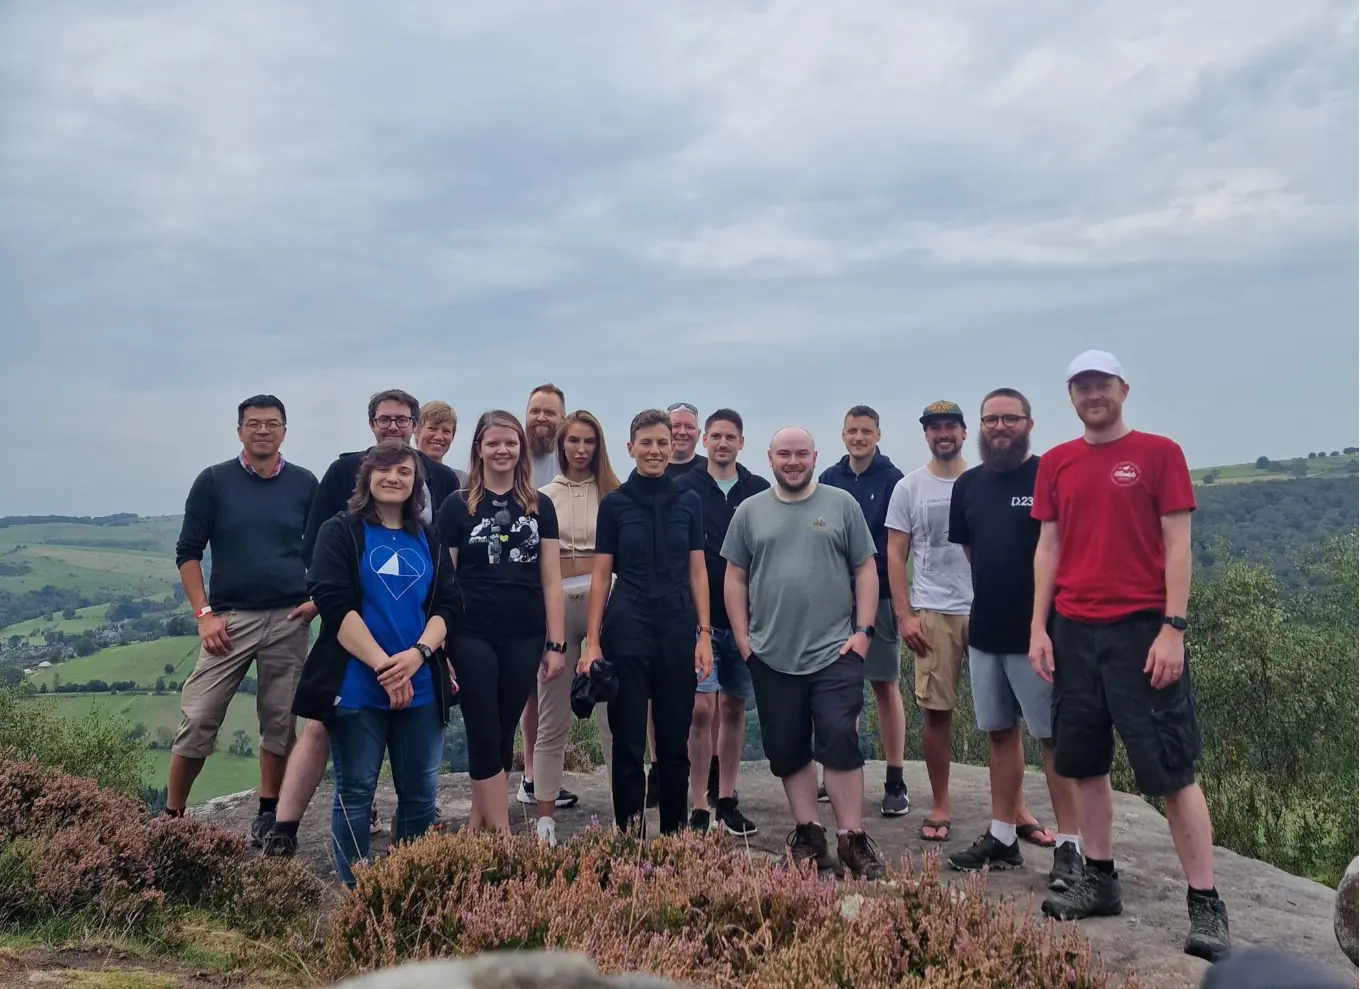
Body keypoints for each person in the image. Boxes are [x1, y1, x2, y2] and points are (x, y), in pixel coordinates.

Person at [1029, 350, 1230, 961]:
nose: (1093, 395)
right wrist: (1038, 627)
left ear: (1123, 388)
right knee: (1083, 763)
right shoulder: (1058, 462)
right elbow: (1048, 547)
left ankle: (1206, 902)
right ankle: (1099, 878)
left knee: (1171, 768)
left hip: (1142, 631)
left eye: (1102, 384)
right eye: (1082, 386)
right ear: (1071, 396)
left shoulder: (1159, 452)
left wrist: (1174, 628)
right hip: (1072, 631)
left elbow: (1178, 545)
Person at [264, 389, 462, 849]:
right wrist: (383, 665)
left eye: (403, 472)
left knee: (419, 795)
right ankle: (330, 865)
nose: (394, 478)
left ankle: (405, 885)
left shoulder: (431, 529)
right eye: (384, 471)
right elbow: (329, 587)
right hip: (356, 668)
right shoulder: (342, 522)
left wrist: (419, 656)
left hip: (421, 671)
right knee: (352, 787)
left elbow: (447, 601)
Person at [721, 426, 886, 880]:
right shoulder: (750, 512)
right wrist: (742, 638)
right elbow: (734, 576)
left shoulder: (841, 505)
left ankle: (852, 839)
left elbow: (866, 568)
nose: (792, 462)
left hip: (835, 650)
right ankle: (810, 835)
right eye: (783, 455)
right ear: (769, 458)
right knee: (786, 746)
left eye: (801, 454)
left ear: (815, 457)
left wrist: (864, 632)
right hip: (771, 653)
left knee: (838, 736)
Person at [944, 388, 1082, 891]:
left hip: (1040, 636)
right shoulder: (969, 485)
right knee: (999, 733)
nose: (999, 427)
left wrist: (1043, 626)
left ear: (1028, 423)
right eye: (991, 419)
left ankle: (1071, 847)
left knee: (1053, 739)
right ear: (980, 426)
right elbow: (972, 551)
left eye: (1010, 418)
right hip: (986, 631)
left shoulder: (1051, 475)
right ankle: (1003, 836)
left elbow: (1064, 550)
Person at [166, 395, 318, 843]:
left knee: (280, 721)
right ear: (239, 431)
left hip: (290, 616)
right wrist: (204, 615)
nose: (263, 431)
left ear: (285, 431)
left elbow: (322, 548)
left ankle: (269, 814)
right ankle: (172, 819)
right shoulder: (214, 482)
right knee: (198, 716)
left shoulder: (305, 483)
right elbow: (187, 553)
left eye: (272, 424)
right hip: (228, 621)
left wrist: (316, 602)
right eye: (254, 424)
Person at [580, 408, 713, 834]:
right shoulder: (615, 504)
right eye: (647, 443)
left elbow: (698, 571)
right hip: (628, 623)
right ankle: (630, 836)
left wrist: (704, 635)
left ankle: (674, 836)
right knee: (629, 739)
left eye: (662, 443)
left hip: (677, 624)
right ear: (630, 448)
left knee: (674, 740)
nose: (655, 451)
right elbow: (601, 576)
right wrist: (592, 641)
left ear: (672, 446)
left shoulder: (688, 501)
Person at [437, 411, 566, 835]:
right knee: (481, 722)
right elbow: (445, 579)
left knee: (505, 726)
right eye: (493, 443)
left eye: (510, 443)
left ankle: (478, 823)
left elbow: (551, 577)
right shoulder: (457, 505)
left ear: (520, 448)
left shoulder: (538, 505)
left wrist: (556, 643)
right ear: (479, 448)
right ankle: (501, 833)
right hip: (470, 631)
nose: (502, 450)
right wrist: (441, 641)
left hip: (525, 632)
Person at [673, 408, 768, 835]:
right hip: (699, 616)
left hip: (747, 617)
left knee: (733, 707)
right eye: (716, 436)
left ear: (742, 443)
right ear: (704, 441)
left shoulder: (758, 491)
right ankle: (697, 804)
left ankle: (726, 797)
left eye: (731, 436)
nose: (723, 443)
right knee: (700, 708)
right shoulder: (684, 488)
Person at [529, 410, 620, 845]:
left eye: (589, 442)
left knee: (614, 714)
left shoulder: (614, 494)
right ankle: (545, 815)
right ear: (562, 445)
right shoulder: (541, 496)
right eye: (573, 441)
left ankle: (625, 811)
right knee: (552, 712)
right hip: (559, 603)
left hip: (608, 598)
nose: (581, 450)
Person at [884, 400, 973, 843]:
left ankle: (1012, 810)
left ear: (963, 432)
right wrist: (904, 614)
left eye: (950, 426)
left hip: (989, 606)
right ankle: (940, 804)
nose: (943, 434)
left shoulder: (982, 481)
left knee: (1007, 715)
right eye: (934, 427)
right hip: (933, 609)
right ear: (926, 435)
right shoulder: (910, 487)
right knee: (937, 712)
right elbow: (896, 553)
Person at [817, 405, 909, 817]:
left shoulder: (893, 481)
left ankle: (894, 778)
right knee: (838, 688)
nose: (858, 437)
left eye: (866, 431)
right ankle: (838, 768)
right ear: (842, 434)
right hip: (835, 598)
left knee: (884, 685)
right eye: (852, 430)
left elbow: (894, 547)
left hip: (882, 597)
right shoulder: (828, 480)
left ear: (877, 434)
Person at [518, 383, 568, 805]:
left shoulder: (569, 456)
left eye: (550, 413)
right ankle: (531, 773)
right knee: (529, 686)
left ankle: (549, 771)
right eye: (536, 411)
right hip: (522, 583)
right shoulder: (514, 455)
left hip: (568, 585)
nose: (542, 419)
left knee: (554, 679)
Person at [414, 401, 466, 487]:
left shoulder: (463, 481)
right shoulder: (403, 476)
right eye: (432, 429)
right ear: (416, 431)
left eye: (446, 431)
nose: (439, 437)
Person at [664, 402, 708, 478]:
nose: (682, 432)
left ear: (698, 434)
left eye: (689, 427)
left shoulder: (711, 470)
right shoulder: (650, 470)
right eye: (675, 426)